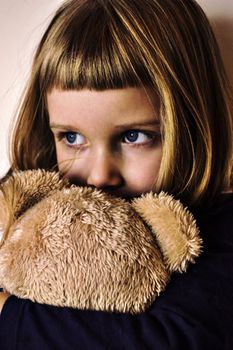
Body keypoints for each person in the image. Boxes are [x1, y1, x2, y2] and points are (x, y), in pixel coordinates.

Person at [0, 0, 233, 348]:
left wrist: (7, 314)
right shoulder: (37, 205)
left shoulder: (219, 231)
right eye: (72, 137)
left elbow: (173, 341)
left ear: (194, 127)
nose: (98, 176)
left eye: (134, 136)